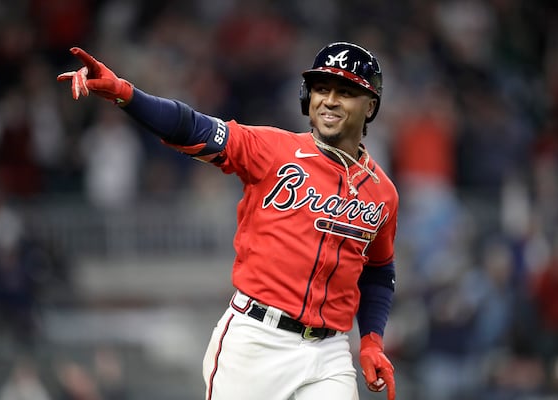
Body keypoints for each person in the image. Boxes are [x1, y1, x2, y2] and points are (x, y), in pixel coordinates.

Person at [58, 41, 398, 400]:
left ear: (370, 106)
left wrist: (372, 341)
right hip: (256, 341)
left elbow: (379, 270)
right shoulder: (272, 150)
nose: (330, 100)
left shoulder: (383, 193)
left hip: (329, 353)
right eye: (321, 88)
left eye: (345, 92)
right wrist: (125, 94)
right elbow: (190, 125)